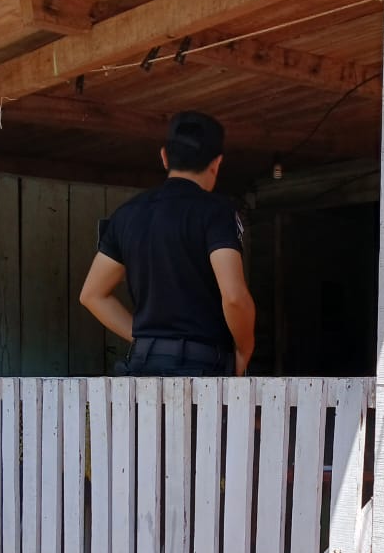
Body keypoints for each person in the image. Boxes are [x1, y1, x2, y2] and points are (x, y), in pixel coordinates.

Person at [79, 110, 255, 376]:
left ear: (164, 156)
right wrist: (244, 350)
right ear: (216, 163)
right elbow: (233, 297)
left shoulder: (127, 214)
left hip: (143, 368)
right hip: (203, 369)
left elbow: (92, 295)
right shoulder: (216, 212)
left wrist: (149, 340)